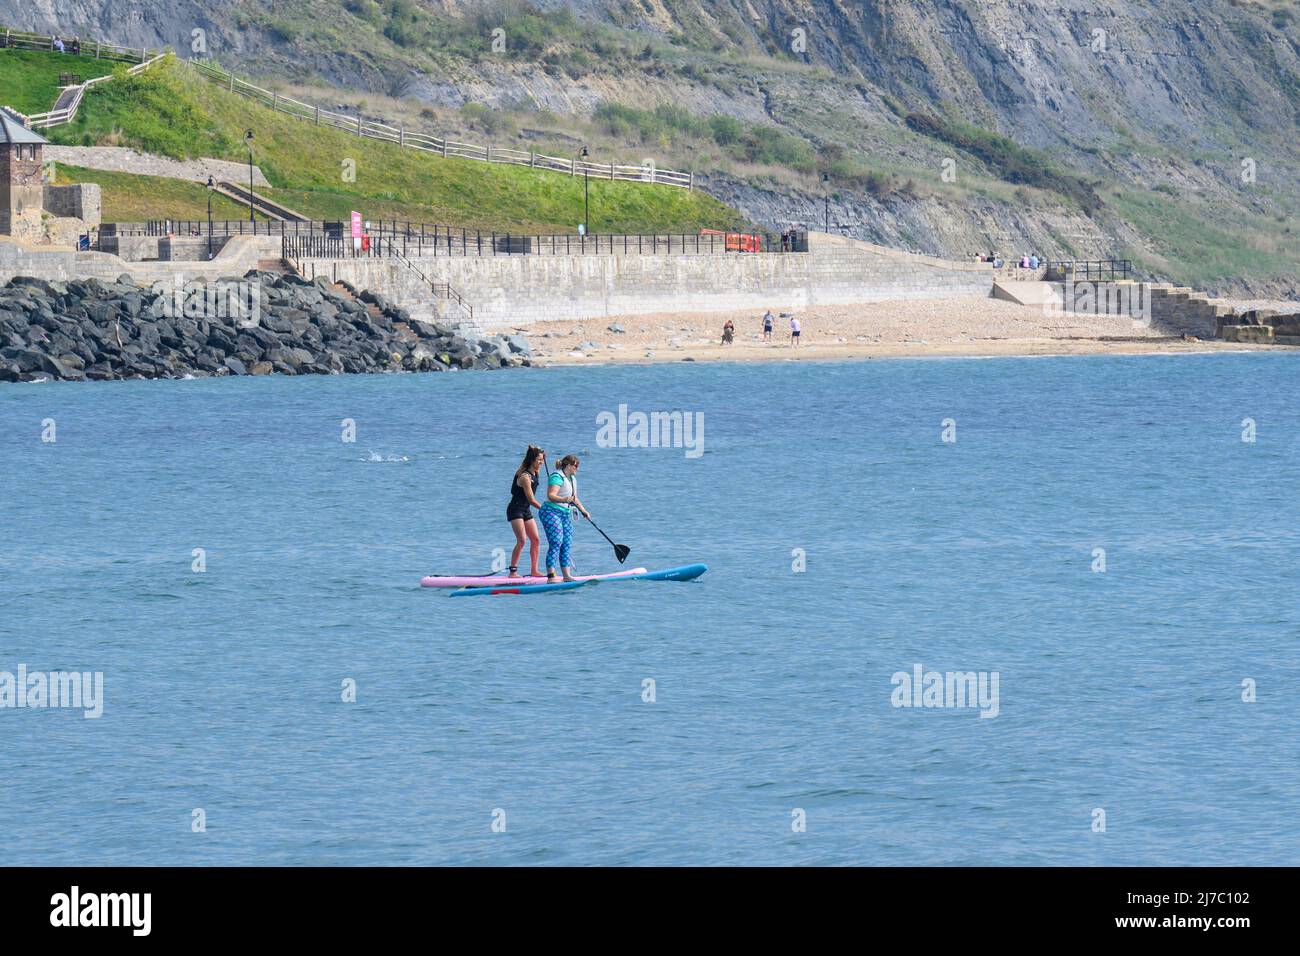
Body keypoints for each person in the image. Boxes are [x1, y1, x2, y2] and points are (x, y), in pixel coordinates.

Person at [539, 455, 589, 582]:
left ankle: (566, 576)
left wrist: (584, 511)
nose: (577, 469)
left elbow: (574, 498)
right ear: (568, 465)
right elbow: (551, 496)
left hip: (565, 513)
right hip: (550, 511)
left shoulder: (572, 479)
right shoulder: (556, 476)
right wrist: (564, 499)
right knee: (556, 542)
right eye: (576, 466)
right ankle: (551, 576)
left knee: (566, 543)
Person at [506, 445, 546, 578]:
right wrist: (547, 509)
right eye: (539, 460)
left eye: (542, 459)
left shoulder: (536, 472)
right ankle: (513, 572)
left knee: (536, 539)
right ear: (532, 460)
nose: (541, 462)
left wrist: (537, 449)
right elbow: (531, 499)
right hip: (515, 508)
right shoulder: (524, 477)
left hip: (525, 510)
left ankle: (534, 570)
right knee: (522, 540)